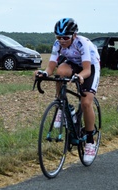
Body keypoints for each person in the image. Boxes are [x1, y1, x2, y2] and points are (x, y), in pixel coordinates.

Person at [35, 18, 100, 164]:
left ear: (74, 35)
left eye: (66, 37)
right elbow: (51, 67)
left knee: (85, 103)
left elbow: (87, 70)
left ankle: (90, 141)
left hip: (90, 66)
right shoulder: (57, 44)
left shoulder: (81, 43)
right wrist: (44, 73)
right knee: (60, 72)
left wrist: (80, 76)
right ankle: (62, 106)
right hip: (73, 64)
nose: (62, 40)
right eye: (59, 37)